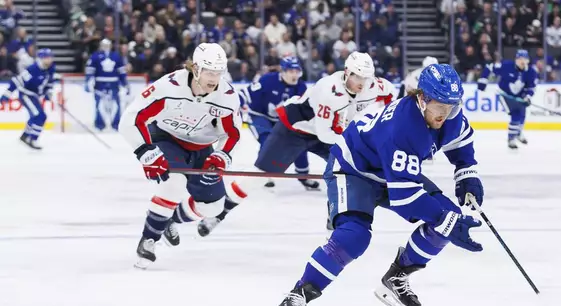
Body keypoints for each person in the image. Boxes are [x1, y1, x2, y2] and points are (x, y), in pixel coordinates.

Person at [272, 64, 485, 306]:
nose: (444, 114)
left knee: (447, 219)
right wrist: (447, 221)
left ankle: (397, 276)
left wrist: (467, 172)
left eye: (451, 107)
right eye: (439, 107)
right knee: (355, 235)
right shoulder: (403, 126)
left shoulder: (450, 113)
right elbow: (405, 198)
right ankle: (298, 295)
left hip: (391, 170)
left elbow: (461, 141)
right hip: (352, 169)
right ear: (422, 99)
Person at [197, 51, 397, 237]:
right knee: (260, 175)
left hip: (330, 131)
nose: (361, 83)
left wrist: (385, 123)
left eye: (366, 77)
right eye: (357, 76)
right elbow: (325, 134)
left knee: (352, 170)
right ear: (347, 72)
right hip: (294, 130)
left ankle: (335, 214)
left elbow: (392, 96)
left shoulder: (374, 85)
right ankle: (219, 213)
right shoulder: (328, 89)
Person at [118, 43, 242, 269]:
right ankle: (149, 240)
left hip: (202, 148)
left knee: (213, 207)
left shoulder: (227, 96)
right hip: (167, 138)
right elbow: (131, 119)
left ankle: (168, 220)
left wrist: (221, 156)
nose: (214, 78)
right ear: (195, 68)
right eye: (209, 71)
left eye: (218, 72)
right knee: (172, 185)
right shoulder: (169, 86)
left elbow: (232, 134)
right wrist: (145, 151)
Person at [239, 56, 318, 190]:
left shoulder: (301, 87)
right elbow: (244, 93)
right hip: (260, 116)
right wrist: (236, 105)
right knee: (268, 140)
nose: (294, 75)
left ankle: (303, 174)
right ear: (283, 71)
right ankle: (264, 174)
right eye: (291, 71)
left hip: (283, 120)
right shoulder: (268, 80)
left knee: (298, 141)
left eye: (297, 71)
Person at [477, 49, 538, 149]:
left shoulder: (531, 72)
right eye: (520, 59)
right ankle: (511, 139)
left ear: (528, 60)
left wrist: (528, 96)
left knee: (522, 114)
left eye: (525, 59)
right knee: (516, 113)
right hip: (504, 95)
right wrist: (482, 81)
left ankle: (518, 133)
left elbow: (531, 86)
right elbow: (490, 67)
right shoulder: (506, 65)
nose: (522, 61)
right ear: (516, 59)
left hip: (519, 96)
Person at [0, 48, 55, 150]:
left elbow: (50, 82)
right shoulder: (33, 69)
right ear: (41, 58)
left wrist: (48, 92)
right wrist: (7, 94)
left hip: (35, 96)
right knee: (39, 116)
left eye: (50, 57)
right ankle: (33, 139)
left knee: (36, 116)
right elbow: (17, 81)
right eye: (47, 58)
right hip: (26, 95)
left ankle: (25, 135)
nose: (49, 60)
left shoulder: (51, 68)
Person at [85, 38, 130, 131]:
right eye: (103, 45)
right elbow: (90, 70)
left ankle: (116, 123)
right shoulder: (95, 56)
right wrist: (88, 81)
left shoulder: (116, 56)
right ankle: (99, 124)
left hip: (114, 83)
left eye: (107, 45)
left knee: (116, 104)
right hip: (99, 84)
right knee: (99, 104)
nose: (105, 47)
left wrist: (125, 83)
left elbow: (121, 71)